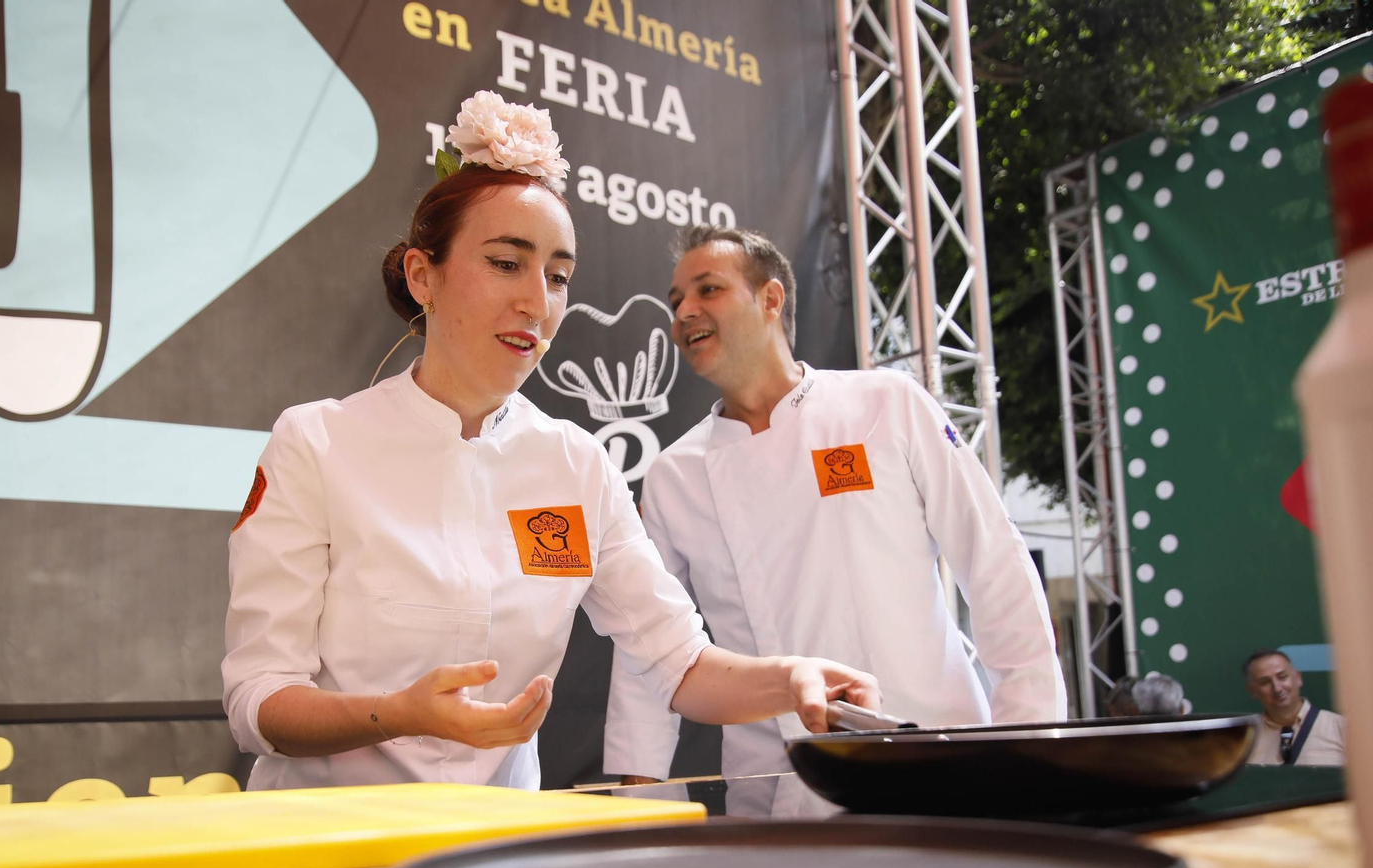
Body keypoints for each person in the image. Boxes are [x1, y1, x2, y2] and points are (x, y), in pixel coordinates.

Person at [221, 94, 879, 791]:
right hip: (328, 844)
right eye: (507, 263)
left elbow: (680, 663)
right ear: (423, 276)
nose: (537, 302)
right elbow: (258, 701)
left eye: (558, 276)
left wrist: (793, 678)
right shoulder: (319, 442)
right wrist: (397, 714)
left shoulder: (576, 464)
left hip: (495, 854)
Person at [605, 226, 1065, 784]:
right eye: (677, 301)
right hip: (777, 786)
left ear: (771, 299)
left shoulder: (886, 405)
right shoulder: (675, 476)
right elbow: (651, 649)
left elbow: (995, 566)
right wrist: (637, 790)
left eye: (708, 290)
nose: (684, 313)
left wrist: (1031, 742)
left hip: (937, 757)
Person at [1243, 649, 1347, 766]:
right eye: (1265, 682)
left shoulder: (1341, 728)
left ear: (1298, 678)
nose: (1277, 688)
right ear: (1252, 691)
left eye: (1282, 677)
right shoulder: (1244, 737)